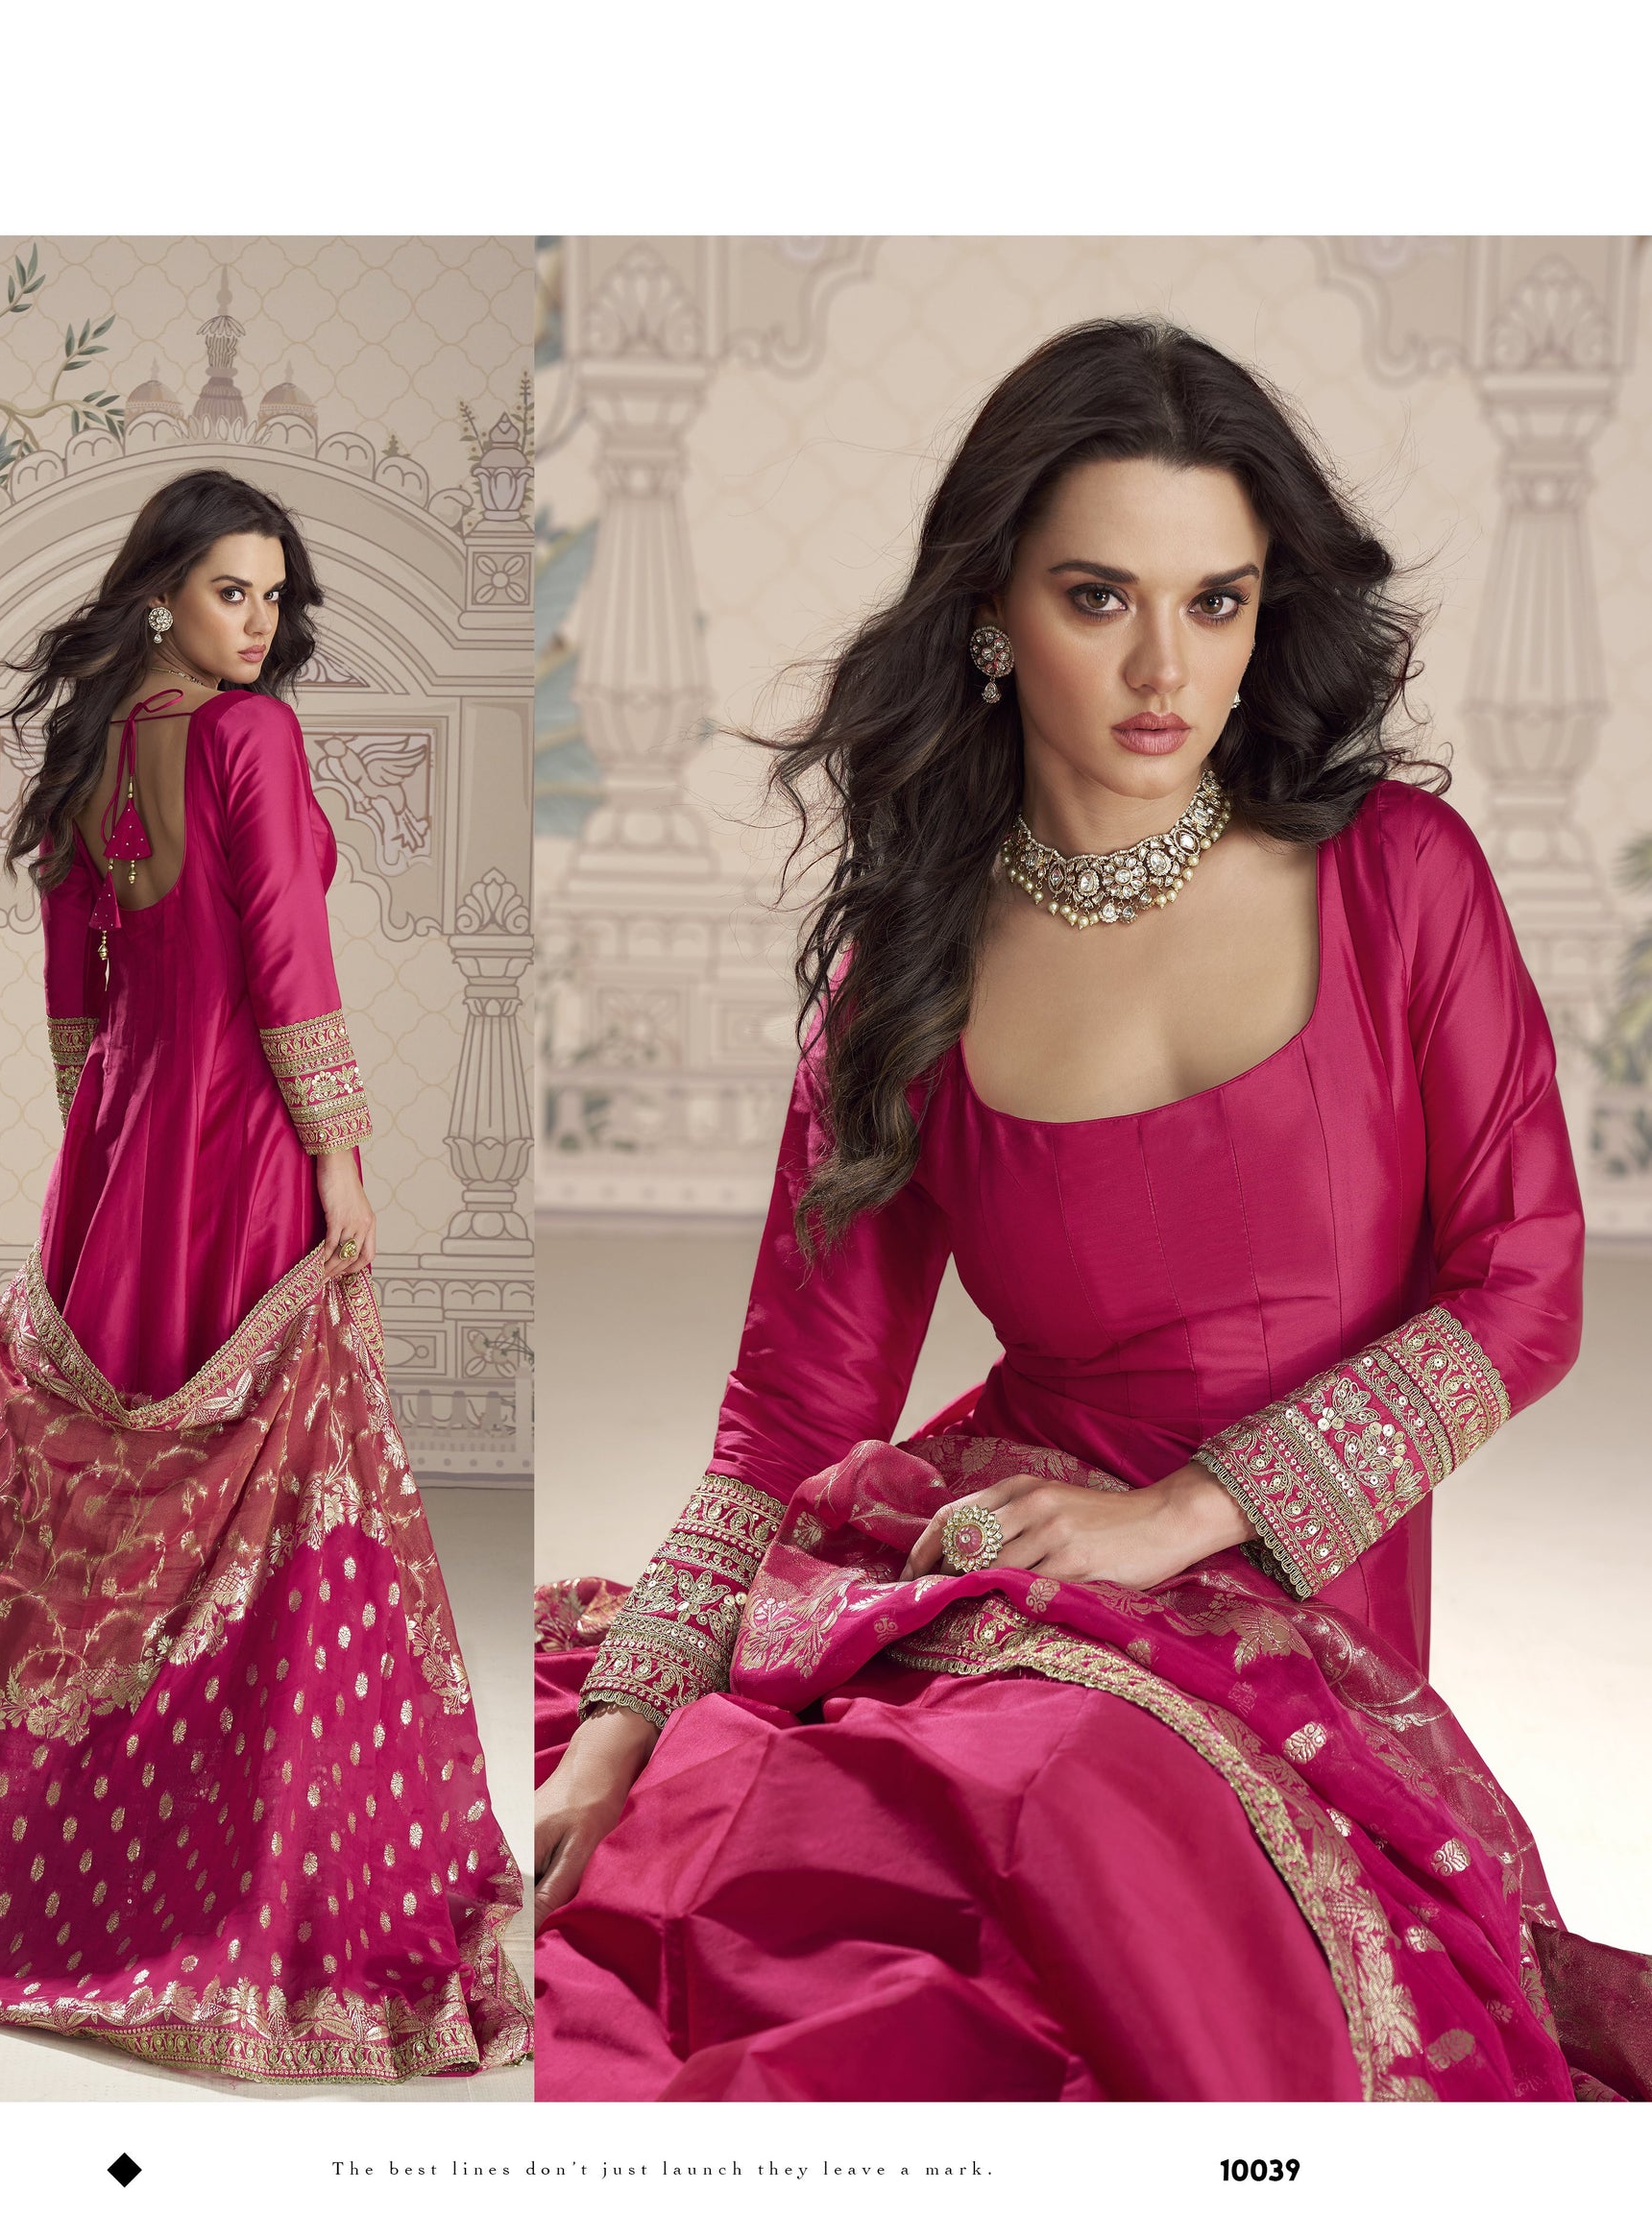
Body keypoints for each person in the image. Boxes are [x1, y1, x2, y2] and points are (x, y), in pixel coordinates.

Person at [532, 319, 1651, 2104]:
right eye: (1095, 597)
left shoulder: (1393, 880)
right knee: (739, 1856)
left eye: (1215, 602)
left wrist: (1176, 1517)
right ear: (991, 616)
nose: (1162, 667)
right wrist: (616, 1731)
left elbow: (1522, 1288)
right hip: (1006, 1560)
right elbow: (791, 1414)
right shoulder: (911, 968)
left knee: (1078, 1825)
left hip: (1264, 1593)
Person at [0, 470, 530, 2082]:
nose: (258, 623)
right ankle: (225, 1857)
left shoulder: (95, 740)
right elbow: (285, 956)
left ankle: (31, 1842)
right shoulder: (251, 743)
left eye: (272, 594)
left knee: (97, 1499)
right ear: (160, 597)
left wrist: (109, 1146)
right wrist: (337, 1152)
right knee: (265, 1488)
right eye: (230, 593)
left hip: (125, 1144)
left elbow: (73, 983)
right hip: (245, 1132)